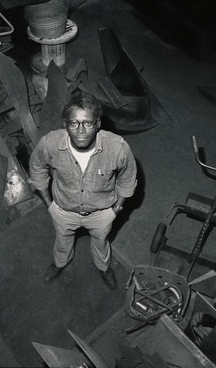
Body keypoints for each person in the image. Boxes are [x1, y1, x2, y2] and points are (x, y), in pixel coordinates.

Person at [29, 91, 138, 289]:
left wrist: (115, 211)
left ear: (97, 124)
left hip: (101, 213)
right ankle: (59, 263)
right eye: (73, 123)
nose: (80, 130)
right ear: (65, 124)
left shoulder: (118, 148)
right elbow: (37, 171)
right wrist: (50, 206)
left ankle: (103, 267)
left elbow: (128, 180)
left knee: (101, 242)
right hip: (63, 210)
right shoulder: (50, 144)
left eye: (87, 123)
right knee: (62, 241)